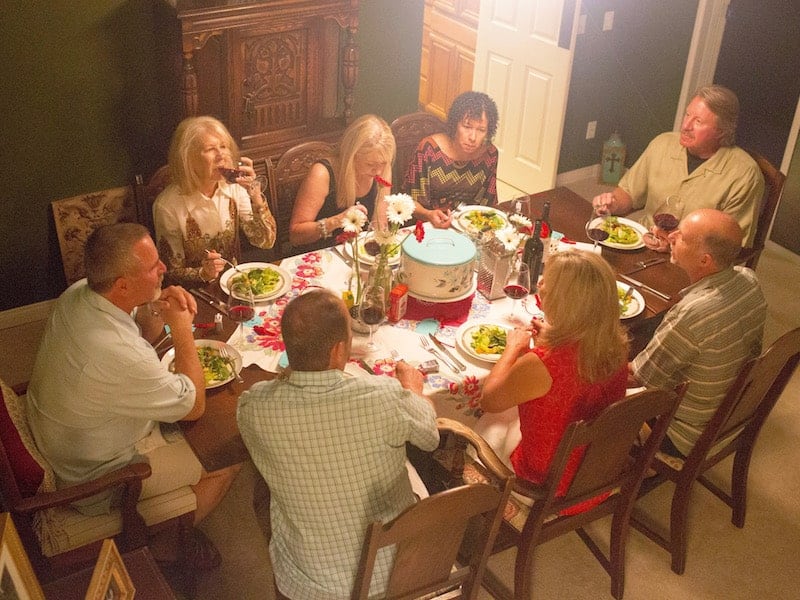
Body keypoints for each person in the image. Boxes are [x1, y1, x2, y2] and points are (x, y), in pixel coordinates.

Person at [26, 223, 240, 569]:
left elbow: (140, 321)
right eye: (153, 267)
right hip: (98, 480)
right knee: (224, 454)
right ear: (122, 284)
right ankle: (167, 548)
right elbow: (193, 406)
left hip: (69, 436)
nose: (164, 269)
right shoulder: (117, 352)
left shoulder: (79, 293)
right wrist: (182, 329)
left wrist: (155, 304)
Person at [237, 290, 439, 599]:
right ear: (338, 350)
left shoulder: (253, 409)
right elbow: (430, 437)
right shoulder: (384, 395)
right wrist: (412, 389)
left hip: (309, 584)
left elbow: (267, 392)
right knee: (408, 467)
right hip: (395, 571)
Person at [479, 251, 629, 514]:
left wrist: (512, 348)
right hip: (596, 472)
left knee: (488, 420)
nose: (541, 285)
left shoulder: (543, 363)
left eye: (548, 282)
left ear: (564, 301)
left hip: (547, 486)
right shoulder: (615, 343)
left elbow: (489, 400)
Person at [629, 208, 766, 457]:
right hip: (726, 410)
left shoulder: (692, 315)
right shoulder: (749, 279)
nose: (671, 236)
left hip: (679, 433)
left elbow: (638, 378)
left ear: (705, 260)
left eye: (682, 237)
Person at [592, 85, 764, 252]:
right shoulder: (663, 143)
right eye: (687, 114)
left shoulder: (744, 174)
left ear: (721, 131)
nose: (685, 126)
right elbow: (629, 193)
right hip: (643, 244)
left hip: (694, 265)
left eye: (698, 121)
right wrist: (611, 204)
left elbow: (731, 247)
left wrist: (678, 247)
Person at [153, 116, 276, 287]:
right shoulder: (167, 206)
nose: (222, 156)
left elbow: (265, 241)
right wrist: (204, 273)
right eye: (211, 149)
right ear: (188, 158)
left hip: (236, 284)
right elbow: (171, 273)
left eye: (224, 147)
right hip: (192, 293)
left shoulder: (234, 188)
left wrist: (255, 194)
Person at [289, 114, 395, 249]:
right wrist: (337, 221)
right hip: (321, 253)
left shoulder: (381, 167)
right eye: (370, 164)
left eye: (384, 163)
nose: (379, 171)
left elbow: (379, 223)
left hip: (356, 252)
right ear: (352, 156)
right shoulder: (322, 173)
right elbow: (296, 236)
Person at [404, 91, 500, 228]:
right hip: (429, 225)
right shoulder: (429, 149)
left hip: (470, 228)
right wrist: (428, 214)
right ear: (455, 124)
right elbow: (410, 202)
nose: (473, 137)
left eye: (481, 130)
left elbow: (488, 205)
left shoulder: (490, 154)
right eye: (467, 127)